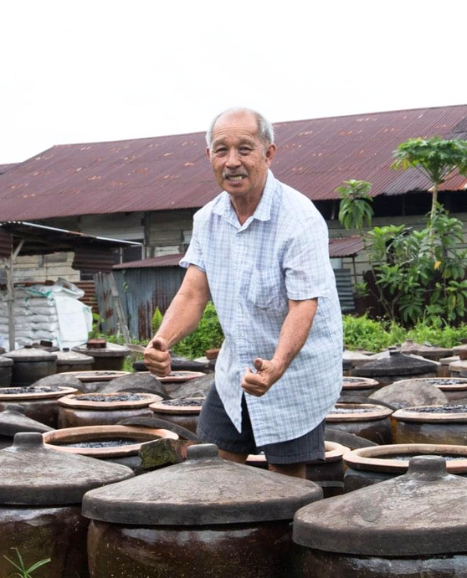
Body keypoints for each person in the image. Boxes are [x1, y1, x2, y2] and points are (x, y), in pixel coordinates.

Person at [144, 108, 343, 478]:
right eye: (221, 150)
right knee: (216, 470)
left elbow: (303, 305)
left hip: (296, 370)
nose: (232, 162)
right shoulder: (208, 219)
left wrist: (277, 366)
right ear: (209, 157)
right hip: (236, 367)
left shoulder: (299, 219)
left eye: (245, 149)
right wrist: (162, 340)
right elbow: (192, 293)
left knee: (285, 480)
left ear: (268, 154)